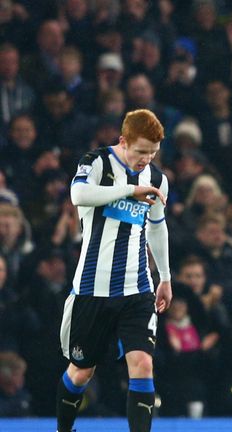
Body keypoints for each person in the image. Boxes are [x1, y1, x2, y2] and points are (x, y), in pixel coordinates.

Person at [57, 109, 172, 432]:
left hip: (137, 289)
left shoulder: (157, 178)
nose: (146, 159)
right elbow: (78, 194)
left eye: (152, 152)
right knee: (81, 371)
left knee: (143, 365)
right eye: (140, 151)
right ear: (123, 142)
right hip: (92, 287)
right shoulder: (96, 163)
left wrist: (164, 277)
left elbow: (157, 227)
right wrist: (128, 191)